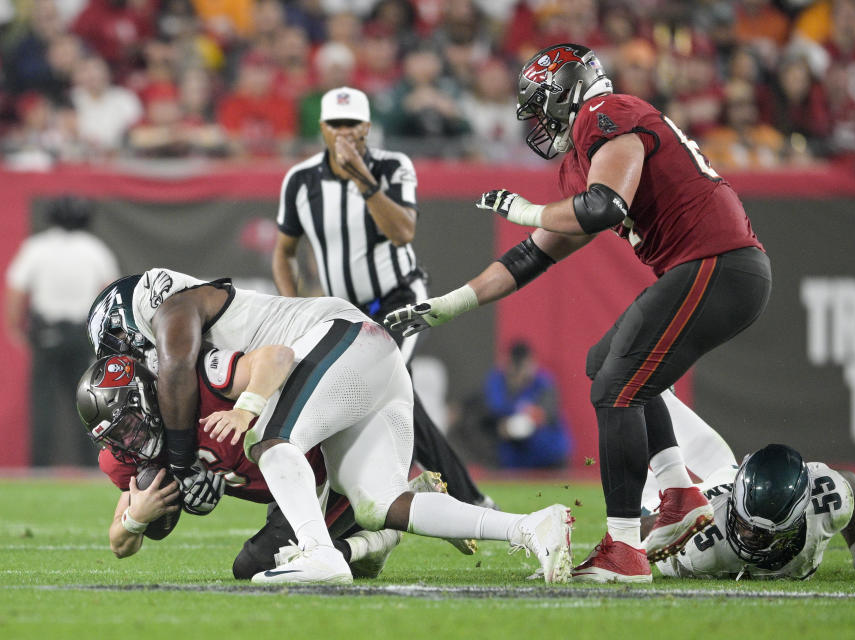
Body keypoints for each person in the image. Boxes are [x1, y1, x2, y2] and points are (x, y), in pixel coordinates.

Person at [385, 43, 771, 584]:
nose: (540, 121)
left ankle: (625, 549)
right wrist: (450, 305)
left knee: (616, 387)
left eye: (542, 104)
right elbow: (531, 255)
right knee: (606, 362)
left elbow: (603, 206)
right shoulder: (584, 153)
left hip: (718, 263)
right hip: (712, 269)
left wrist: (521, 208)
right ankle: (679, 493)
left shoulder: (604, 114)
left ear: (568, 89)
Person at [86, 268, 575, 584]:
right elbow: (124, 536)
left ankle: (320, 553)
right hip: (362, 365)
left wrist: (196, 450)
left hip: (341, 339)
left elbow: (183, 367)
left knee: (271, 438)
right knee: (381, 503)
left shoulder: (180, 330)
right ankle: (532, 527)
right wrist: (139, 513)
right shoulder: (158, 400)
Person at [272, 85, 490, 508]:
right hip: (343, 313)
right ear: (321, 127)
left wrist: (364, 181)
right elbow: (284, 252)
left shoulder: (392, 166)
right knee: (391, 389)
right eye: (335, 124)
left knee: (378, 382)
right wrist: (292, 309)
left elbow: (402, 231)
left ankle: (430, 498)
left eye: (351, 123)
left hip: (398, 301)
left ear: (368, 126)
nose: (343, 132)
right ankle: (458, 499)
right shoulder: (300, 179)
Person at [75, 352, 466, 580]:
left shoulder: (204, 384)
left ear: (146, 397)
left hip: (321, 463)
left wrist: (247, 408)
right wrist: (135, 519)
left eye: (128, 425)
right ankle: (380, 526)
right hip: (285, 489)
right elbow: (119, 544)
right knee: (334, 571)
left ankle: (386, 528)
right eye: (115, 436)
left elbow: (278, 361)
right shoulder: (127, 457)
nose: (128, 442)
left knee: (257, 566)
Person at [650, 444, 855, 580]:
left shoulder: (828, 499)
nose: (749, 536)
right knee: (651, 493)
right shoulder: (702, 544)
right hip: (711, 493)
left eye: (763, 534)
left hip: (727, 487)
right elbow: (650, 525)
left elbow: (853, 484)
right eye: (743, 523)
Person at [5, 196, 119, 466]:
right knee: (88, 402)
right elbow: (112, 293)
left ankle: (39, 467)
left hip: (47, 333)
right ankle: (93, 465)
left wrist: (14, 326)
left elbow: (16, 290)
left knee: (42, 404)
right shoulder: (94, 248)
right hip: (81, 335)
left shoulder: (37, 247)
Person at [483, 340, 572, 469]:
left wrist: (518, 423)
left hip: (549, 457)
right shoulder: (497, 382)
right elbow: (493, 412)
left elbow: (547, 413)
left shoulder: (544, 383)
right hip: (515, 458)